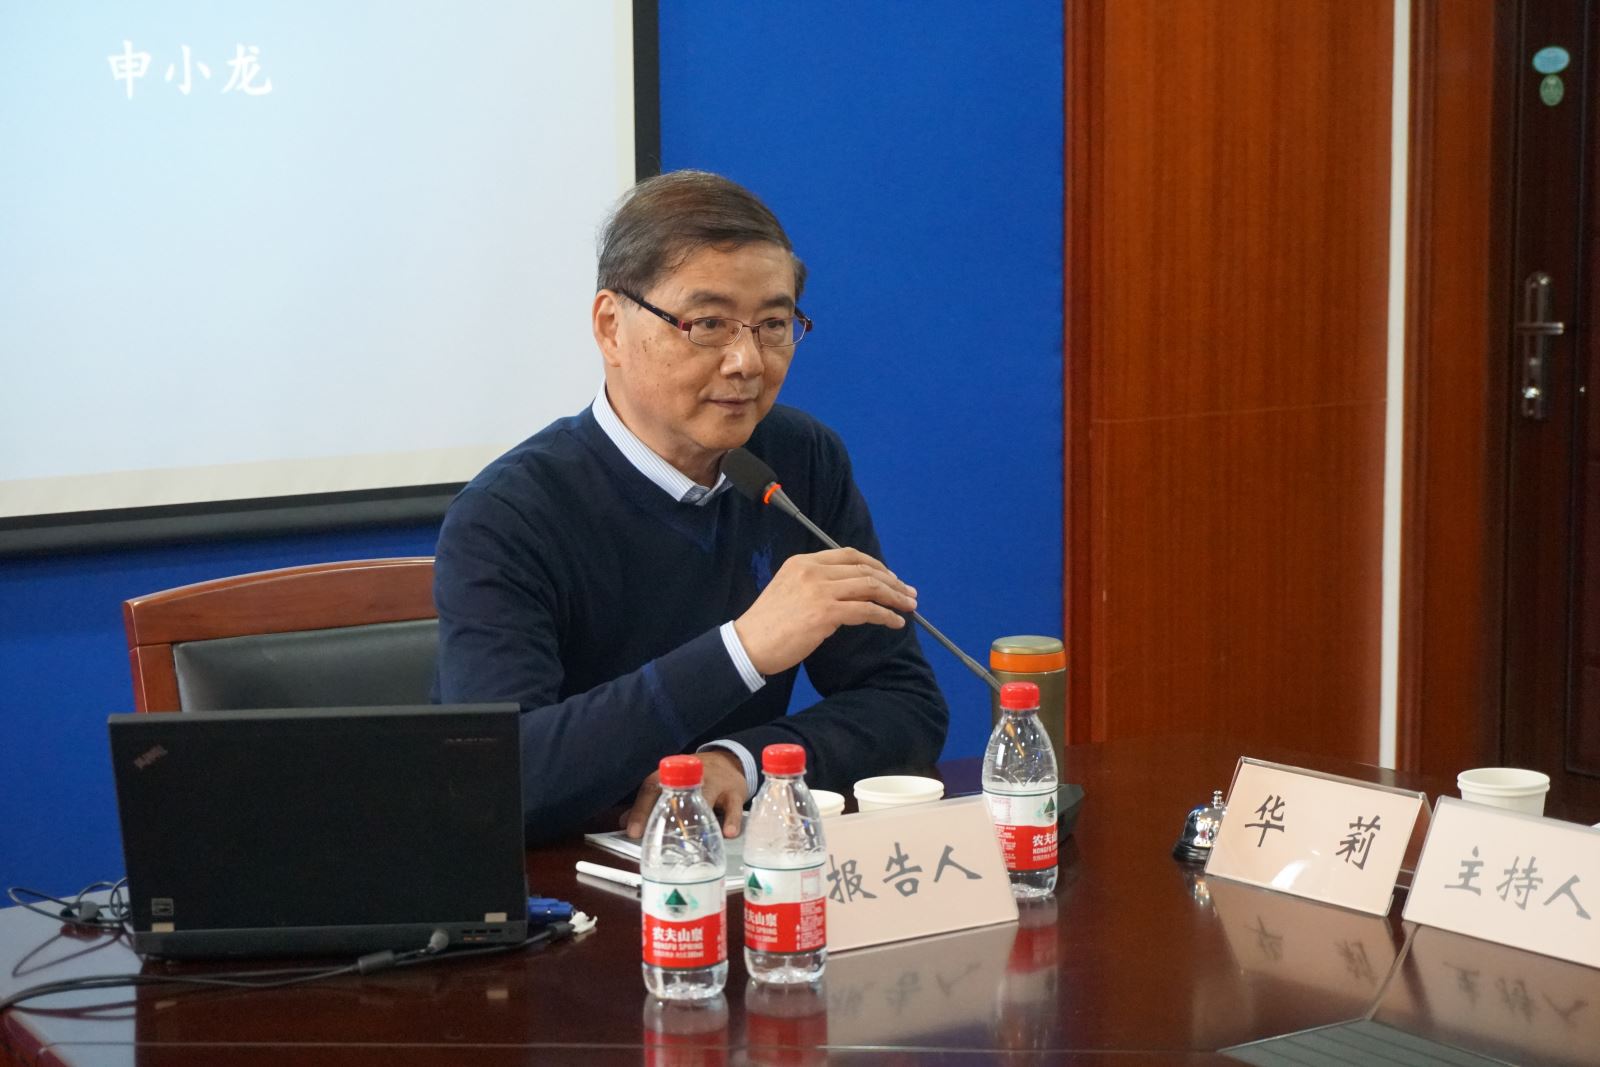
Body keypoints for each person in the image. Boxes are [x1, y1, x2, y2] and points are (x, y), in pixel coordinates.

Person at [433, 170, 948, 843]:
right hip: (565, 884)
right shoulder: (507, 516)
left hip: (743, 871)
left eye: (773, 324)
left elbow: (906, 704)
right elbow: (500, 778)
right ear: (611, 328)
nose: (746, 361)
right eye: (707, 324)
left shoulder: (800, 462)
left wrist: (739, 761)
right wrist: (743, 649)